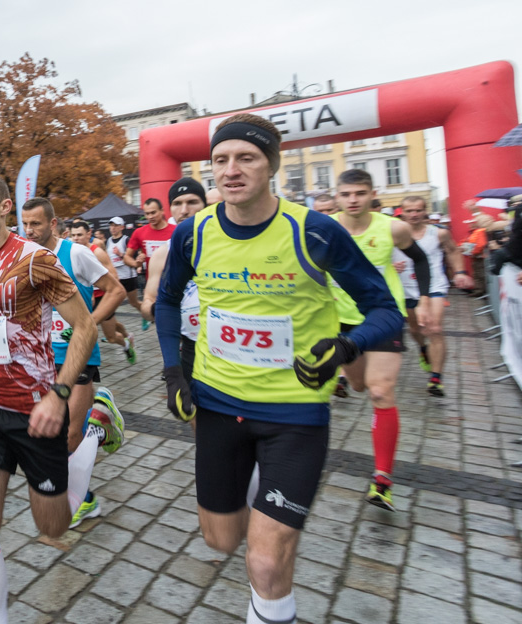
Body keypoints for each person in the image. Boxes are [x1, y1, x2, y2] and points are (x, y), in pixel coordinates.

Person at [155, 114, 402, 624]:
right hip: (220, 406)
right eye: (220, 160)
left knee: (265, 560)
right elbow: (166, 301)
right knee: (220, 539)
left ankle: (270, 595)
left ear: (271, 165)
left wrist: (347, 346)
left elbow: (386, 311)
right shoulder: (192, 233)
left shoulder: (315, 231)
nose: (231, 170)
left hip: (295, 413)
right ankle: (261, 506)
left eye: (246, 157)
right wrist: (173, 372)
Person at [0, 173, 122, 624]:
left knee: (53, 527)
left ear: (4, 208)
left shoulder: (35, 260)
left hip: (37, 410)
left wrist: (59, 394)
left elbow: (84, 326)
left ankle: (90, 436)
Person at [329, 169, 433, 510]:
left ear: (372, 194)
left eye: (360, 193)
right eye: (346, 194)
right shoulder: (325, 227)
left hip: (384, 316)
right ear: (338, 196)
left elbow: (419, 258)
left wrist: (428, 298)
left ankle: (382, 480)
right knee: (358, 385)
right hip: (344, 321)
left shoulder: (392, 227)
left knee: (380, 390)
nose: (353, 199)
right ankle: (351, 380)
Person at [20, 198, 126, 527]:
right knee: (45, 434)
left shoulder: (76, 254)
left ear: (53, 224)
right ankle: (100, 418)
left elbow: (116, 291)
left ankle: (83, 496)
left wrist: (88, 324)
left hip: (77, 357)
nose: (28, 230)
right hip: (42, 359)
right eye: (24, 224)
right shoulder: (25, 257)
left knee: (69, 435)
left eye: (35, 224)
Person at [140, 180, 209, 413]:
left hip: (223, 344)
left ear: (205, 205)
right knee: (195, 414)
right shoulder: (163, 253)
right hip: (187, 345)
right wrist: (156, 311)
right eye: (177, 203)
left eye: (192, 202)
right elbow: (148, 300)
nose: (184, 210)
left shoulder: (225, 244)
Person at [398, 196, 476, 396]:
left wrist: (459, 273)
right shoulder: (394, 233)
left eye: (418, 210)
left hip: (434, 286)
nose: (414, 214)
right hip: (406, 288)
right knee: (415, 329)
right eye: (409, 210)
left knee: (434, 328)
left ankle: (436, 378)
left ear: (425, 211)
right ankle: (423, 349)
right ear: (402, 212)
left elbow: (453, 251)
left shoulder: (439, 233)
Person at [68, 220, 136, 362]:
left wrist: (94, 290)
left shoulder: (97, 252)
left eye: (79, 235)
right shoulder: (71, 251)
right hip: (83, 298)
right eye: (73, 235)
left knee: (110, 336)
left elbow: (115, 278)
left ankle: (126, 344)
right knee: (93, 327)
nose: (76, 239)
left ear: (89, 234)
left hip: (101, 298)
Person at [125, 199, 176, 321]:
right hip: (153, 284)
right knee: (162, 321)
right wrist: (136, 263)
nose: (150, 216)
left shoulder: (175, 231)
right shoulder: (139, 233)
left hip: (174, 282)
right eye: (147, 214)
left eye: (153, 212)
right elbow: (126, 257)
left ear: (162, 211)